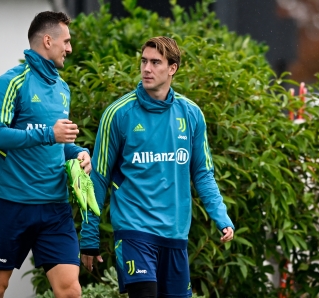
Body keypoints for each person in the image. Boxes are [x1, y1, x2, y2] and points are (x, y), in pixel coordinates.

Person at [79, 36, 235, 298]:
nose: (147, 69)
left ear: (172, 68)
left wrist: (221, 216)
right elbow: (98, 178)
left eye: (155, 62)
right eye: (143, 61)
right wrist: (89, 235)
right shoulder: (118, 113)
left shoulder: (191, 113)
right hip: (134, 231)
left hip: (175, 236)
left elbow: (203, 174)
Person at [0, 11, 90, 298]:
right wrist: (48, 134)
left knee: (70, 291)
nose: (69, 48)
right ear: (48, 40)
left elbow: (58, 142)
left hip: (55, 207)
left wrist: (77, 153)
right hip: (12, 204)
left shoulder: (63, 89)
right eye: (66, 41)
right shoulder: (11, 82)